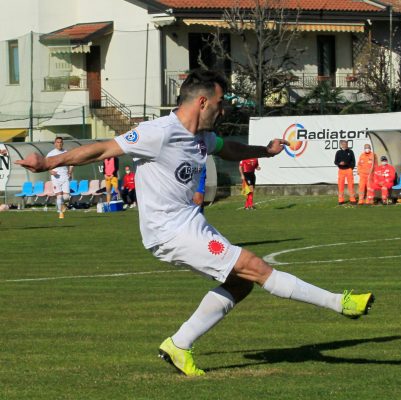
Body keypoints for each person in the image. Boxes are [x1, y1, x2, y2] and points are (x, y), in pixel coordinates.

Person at [16, 69, 374, 377]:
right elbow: (103, 149)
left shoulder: (201, 136)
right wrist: (49, 164)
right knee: (254, 266)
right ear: (202, 103)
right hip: (168, 230)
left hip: (191, 223)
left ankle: (179, 344)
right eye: (220, 105)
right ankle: (338, 303)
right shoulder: (157, 132)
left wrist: (263, 151)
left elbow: (227, 148)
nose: (222, 111)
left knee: (240, 284)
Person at [47, 137, 73, 219]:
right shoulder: (51, 154)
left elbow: (72, 163)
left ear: (63, 143)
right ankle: (60, 213)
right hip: (55, 177)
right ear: (55, 143)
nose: (59, 143)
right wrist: (50, 171)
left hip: (65, 176)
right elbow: (46, 164)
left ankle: (63, 205)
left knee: (66, 197)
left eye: (61, 142)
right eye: (57, 142)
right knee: (59, 196)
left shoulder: (66, 153)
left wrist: (70, 171)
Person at [334, 140, 356, 205]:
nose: (345, 145)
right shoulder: (338, 152)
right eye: (343, 144)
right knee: (340, 185)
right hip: (341, 170)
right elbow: (335, 162)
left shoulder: (350, 152)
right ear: (341, 145)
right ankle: (341, 200)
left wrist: (350, 167)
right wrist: (339, 163)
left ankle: (352, 199)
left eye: (346, 144)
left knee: (351, 185)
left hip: (349, 170)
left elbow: (353, 161)